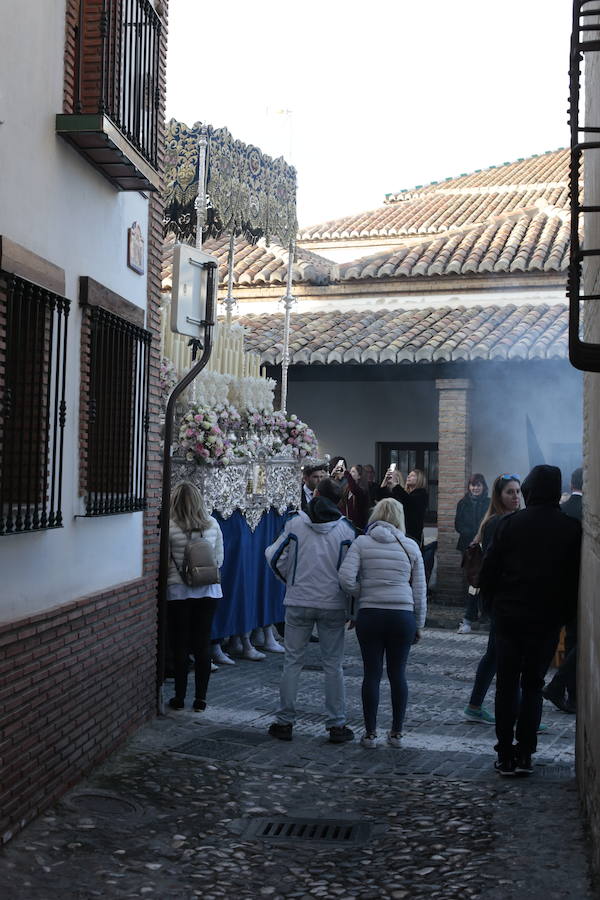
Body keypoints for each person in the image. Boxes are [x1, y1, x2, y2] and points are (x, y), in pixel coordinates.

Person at [479, 465, 582, 776]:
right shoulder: (570, 528)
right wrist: (565, 615)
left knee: (507, 685)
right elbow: (572, 579)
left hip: (509, 616)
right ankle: (525, 753)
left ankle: (505, 753)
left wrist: (491, 607)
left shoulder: (509, 524)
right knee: (534, 685)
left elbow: (489, 571)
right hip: (547, 619)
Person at [265, 477, 357, 743]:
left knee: (292, 662)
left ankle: (284, 722)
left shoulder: (295, 524)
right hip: (333, 604)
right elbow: (351, 572)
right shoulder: (347, 531)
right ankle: (336, 724)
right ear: (339, 501)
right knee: (333, 665)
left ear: (316, 494)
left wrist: (290, 581)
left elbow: (273, 556)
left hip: (298, 601)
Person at [339, 498, 426, 749]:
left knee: (372, 674)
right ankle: (396, 733)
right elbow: (419, 590)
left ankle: (369, 734)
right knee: (398, 674)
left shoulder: (362, 543)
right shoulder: (410, 546)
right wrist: (418, 623)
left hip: (371, 614)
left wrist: (362, 591)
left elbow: (345, 578)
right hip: (402, 615)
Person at [463, 474, 522, 723]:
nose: (516, 496)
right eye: (510, 492)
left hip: (500, 599)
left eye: (518, 492)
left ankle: (475, 706)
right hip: (502, 599)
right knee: (507, 657)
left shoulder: (503, 520)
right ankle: (518, 713)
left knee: (494, 655)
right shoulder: (499, 522)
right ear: (499, 496)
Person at [167, 481, 224, 712]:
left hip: (178, 591)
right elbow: (219, 560)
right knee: (202, 645)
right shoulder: (213, 523)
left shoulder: (169, 526)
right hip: (208, 590)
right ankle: (201, 698)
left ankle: (179, 697)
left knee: (179, 644)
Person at [542, 466, 583, 715]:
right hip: (582, 583)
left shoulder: (563, 509)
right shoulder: (589, 509)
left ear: (571, 483)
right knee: (579, 640)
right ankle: (561, 687)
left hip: (559, 582)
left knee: (571, 640)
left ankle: (572, 695)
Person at [455, 474, 489, 634]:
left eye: (479, 485)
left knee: (482, 582)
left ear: (484, 486)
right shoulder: (463, 503)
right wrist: (471, 538)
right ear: (469, 487)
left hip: (486, 546)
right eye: (473, 485)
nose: (476, 488)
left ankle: (479, 615)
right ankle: (472, 616)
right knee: (474, 582)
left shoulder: (489, 503)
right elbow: (458, 524)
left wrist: (480, 537)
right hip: (469, 548)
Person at [377, 468, 428, 545]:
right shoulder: (405, 494)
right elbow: (380, 497)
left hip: (412, 535)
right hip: (399, 533)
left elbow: (409, 502)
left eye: (412, 476)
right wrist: (385, 480)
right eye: (408, 475)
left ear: (420, 479)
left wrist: (395, 484)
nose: (408, 477)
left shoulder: (421, 494)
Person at [329, 456, 369, 530]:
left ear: (359, 476)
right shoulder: (346, 488)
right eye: (350, 471)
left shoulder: (362, 490)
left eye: (353, 472)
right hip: (345, 525)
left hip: (357, 527)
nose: (350, 473)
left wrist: (346, 473)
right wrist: (332, 475)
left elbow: (355, 490)